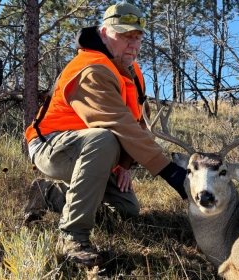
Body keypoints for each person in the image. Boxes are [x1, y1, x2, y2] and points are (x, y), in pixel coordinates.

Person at [24, 2, 187, 267]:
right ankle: (74, 238)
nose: (131, 44)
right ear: (103, 33)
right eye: (123, 35)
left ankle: (49, 195)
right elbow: (116, 123)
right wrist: (173, 174)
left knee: (126, 210)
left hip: (94, 150)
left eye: (136, 37)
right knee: (103, 138)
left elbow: (137, 123)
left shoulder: (133, 73)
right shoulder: (91, 68)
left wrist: (124, 164)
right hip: (52, 147)